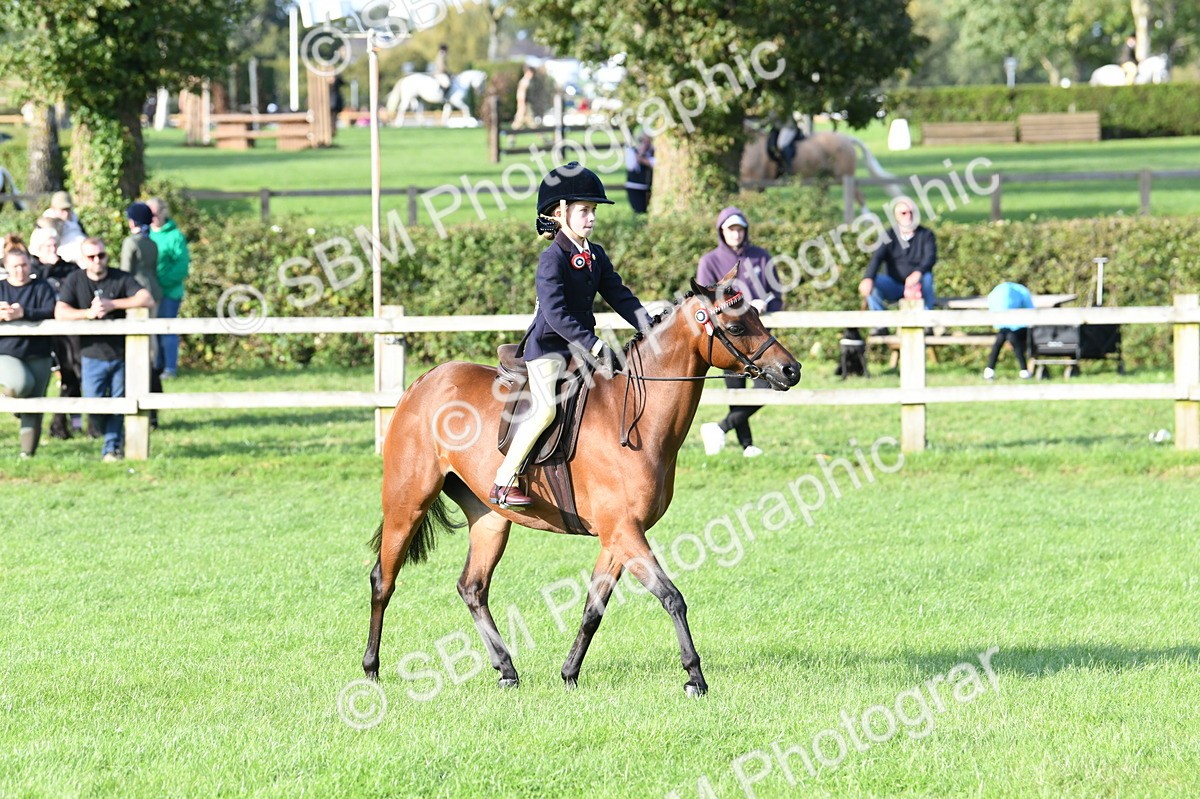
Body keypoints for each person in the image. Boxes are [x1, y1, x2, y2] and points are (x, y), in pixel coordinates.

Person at [490, 162, 648, 507]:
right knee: (546, 410)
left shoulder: (595, 254)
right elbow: (556, 314)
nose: (591, 217)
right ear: (561, 212)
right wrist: (594, 344)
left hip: (578, 348)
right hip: (547, 348)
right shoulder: (553, 259)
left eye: (593, 211)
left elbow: (618, 294)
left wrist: (648, 324)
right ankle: (503, 481)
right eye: (584, 210)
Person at [55, 237, 155, 462]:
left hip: (122, 354)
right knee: (94, 405)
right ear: (84, 259)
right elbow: (61, 311)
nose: (97, 260)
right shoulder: (75, 280)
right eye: (91, 256)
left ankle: (111, 448)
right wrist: (87, 314)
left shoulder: (120, 277)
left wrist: (113, 304)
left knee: (120, 402)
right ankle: (109, 436)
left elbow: (146, 298)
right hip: (91, 355)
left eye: (101, 255)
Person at [696, 208, 781, 458]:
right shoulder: (709, 261)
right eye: (731, 228)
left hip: (759, 340)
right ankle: (747, 445)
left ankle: (719, 428)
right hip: (729, 340)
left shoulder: (762, 257)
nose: (736, 233)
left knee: (766, 386)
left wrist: (765, 306)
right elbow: (706, 299)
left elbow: (776, 294)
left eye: (739, 228)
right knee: (736, 391)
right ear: (722, 231)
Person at [0, 249, 58, 457]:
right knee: (21, 384)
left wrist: (24, 313)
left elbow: (51, 310)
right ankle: (8, 399)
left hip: (39, 353)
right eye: (15, 266)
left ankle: (27, 455)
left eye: (24, 265)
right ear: (6, 267)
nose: (20, 270)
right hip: (6, 352)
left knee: (35, 404)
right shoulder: (1, 288)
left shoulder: (42, 287)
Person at [29, 227, 85, 439]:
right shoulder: (31, 269)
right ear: (37, 248)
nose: (52, 249)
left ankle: (70, 423)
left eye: (54, 244)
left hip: (67, 331)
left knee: (72, 372)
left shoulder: (69, 269)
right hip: (39, 331)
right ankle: (33, 423)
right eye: (47, 245)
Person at [858, 197, 936, 334]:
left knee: (927, 277)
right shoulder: (888, 235)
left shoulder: (926, 235)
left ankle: (927, 321)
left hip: (918, 287)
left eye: (911, 212)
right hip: (895, 285)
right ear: (896, 216)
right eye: (903, 213)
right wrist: (868, 278)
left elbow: (930, 258)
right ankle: (881, 324)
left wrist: (918, 272)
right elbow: (877, 258)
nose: (908, 216)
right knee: (873, 283)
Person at [147, 197, 189, 378]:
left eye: (156, 214)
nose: (153, 218)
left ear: (164, 212)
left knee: (167, 329)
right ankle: (155, 366)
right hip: (147, 294)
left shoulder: (175, 236)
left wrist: (159, 282)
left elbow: (181, 266)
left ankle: (170, 368)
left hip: (168, 292)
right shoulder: (144, 234)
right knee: (151, 331)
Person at [984, 282, 1034, 380]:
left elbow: (1030, 312)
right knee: (1003, 337)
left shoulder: (1021, 292)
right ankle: (990, 370)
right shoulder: (1001, 293)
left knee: (1011, 337)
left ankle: (1023, 370)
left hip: (1021, 328)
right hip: (1006, 328)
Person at [40, 191, 87, 264]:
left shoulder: (74, 217)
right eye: (62, 210)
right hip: (67, 261)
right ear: (53, 208)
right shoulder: (47, 223)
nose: (66, 214)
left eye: (68, 209)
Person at [624, 133, 655, 214]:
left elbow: (654, 163)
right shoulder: (632, 151)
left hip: (647, 187)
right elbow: (631, 166)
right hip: (634, 186)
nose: (645, 143)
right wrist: (640, 153)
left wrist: (641, 159)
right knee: (638, 210)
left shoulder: (653, 151)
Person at [512, 65, 536, 131]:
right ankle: (511, 138)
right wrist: (522, 105)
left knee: (529, 122)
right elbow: (521, 95)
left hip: (526, 104)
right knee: (519, 121)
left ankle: (511, 138)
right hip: (524, 104)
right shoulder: (525, 81)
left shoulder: (528, 81)